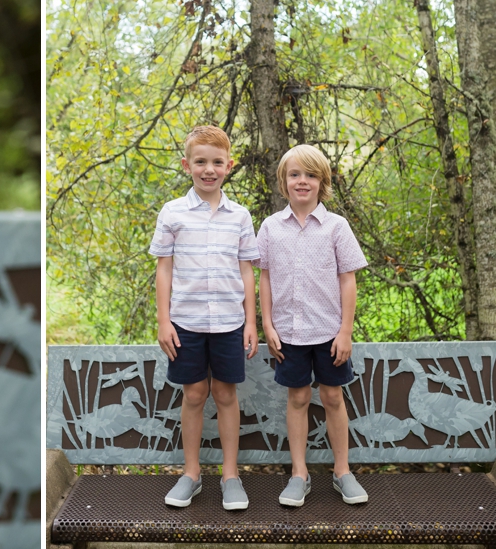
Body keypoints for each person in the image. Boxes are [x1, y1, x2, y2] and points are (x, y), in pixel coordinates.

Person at [151, 125, 260, 511]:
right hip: (186, 321)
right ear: (187, 165)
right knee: (195, 393)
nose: (208, 170)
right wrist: (164, 321)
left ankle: (230, 476)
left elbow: (247, 270)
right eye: (200, 162)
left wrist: (251, 322)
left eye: (217, 162)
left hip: (229, 321)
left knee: (225, 394)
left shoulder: (240, 216)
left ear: (229, 166)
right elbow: (164, 270)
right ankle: (192, 474)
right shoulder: (173, 213)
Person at [256, 144, 370, 507]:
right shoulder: (271, 227)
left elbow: (348, 280)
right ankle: (299, 474)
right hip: (288, 333)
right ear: (283, 181)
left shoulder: (336, 227)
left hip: (329, 333)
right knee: (299, 397)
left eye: (310, 175)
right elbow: (265, 279)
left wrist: (345, 331)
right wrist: (268, 325)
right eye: (294, 174)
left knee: (333, 397)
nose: (302, 181)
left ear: (323, 182)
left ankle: (342, 471)